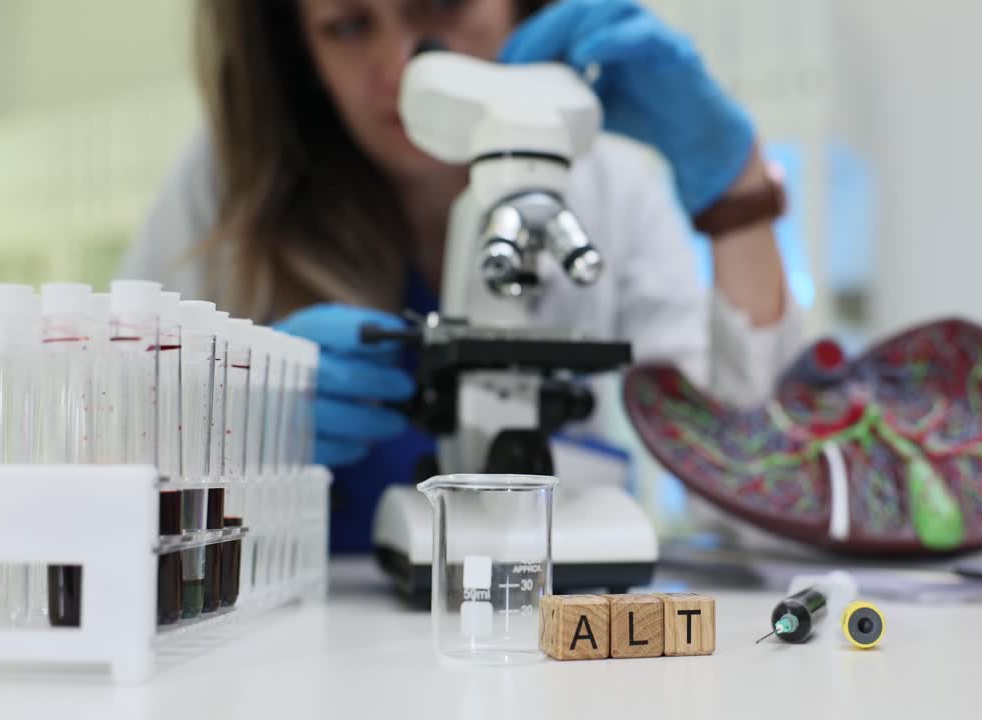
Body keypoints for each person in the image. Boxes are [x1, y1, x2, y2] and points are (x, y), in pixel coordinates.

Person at [120, 0, 807, 552]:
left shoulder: (611, 188)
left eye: (440, 8)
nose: (401, 68)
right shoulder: (229, 188)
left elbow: (770, 494)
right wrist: (231, 423)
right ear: (300, 53)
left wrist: (737, 193)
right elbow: (105, 448)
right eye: (350, 26)